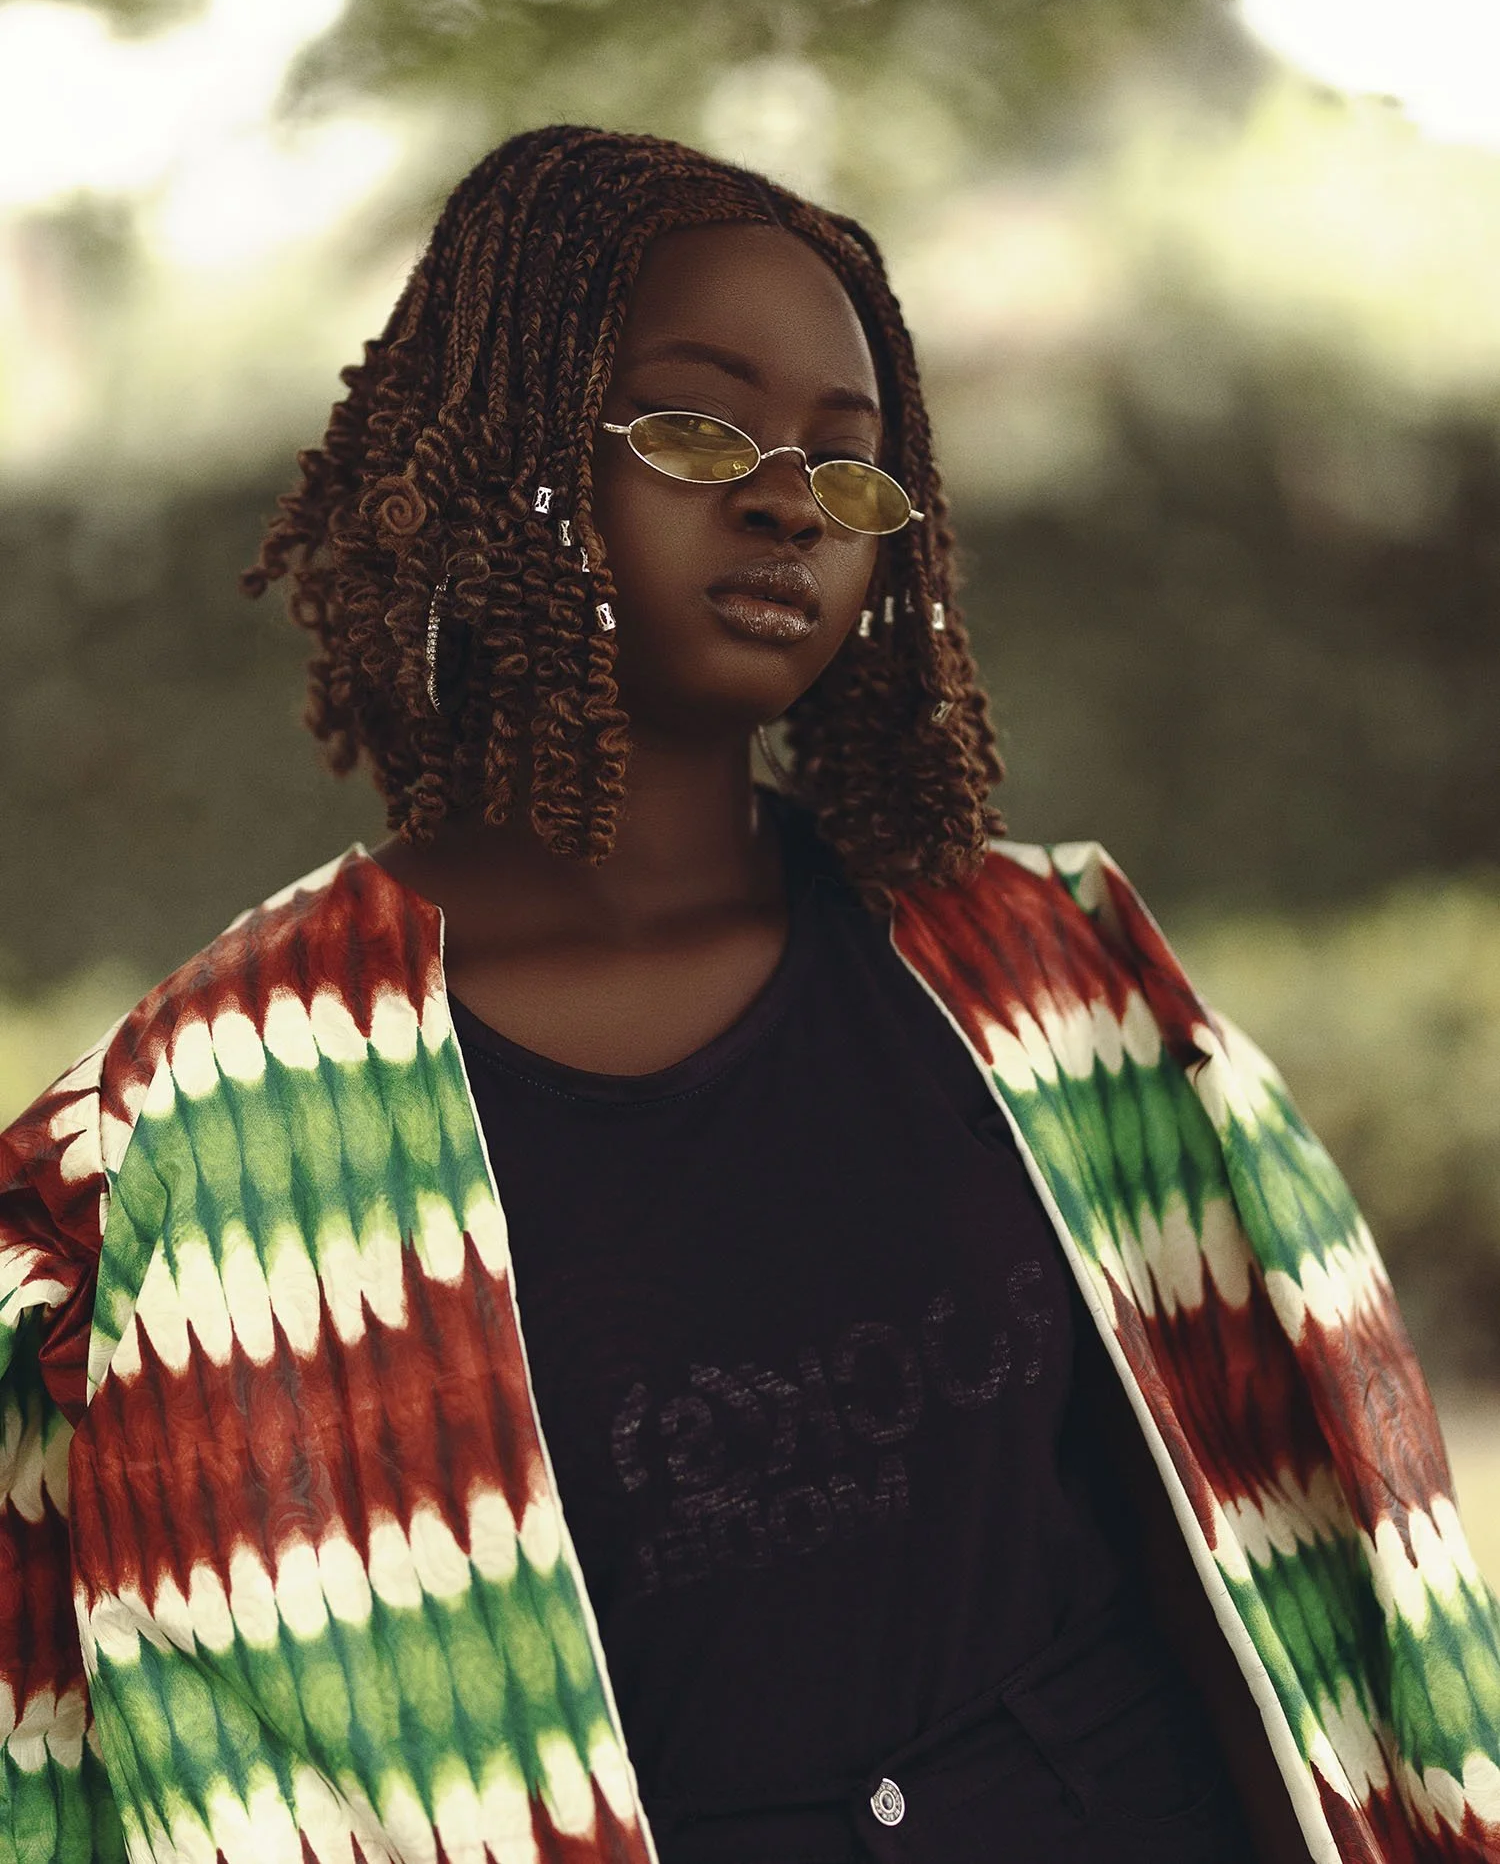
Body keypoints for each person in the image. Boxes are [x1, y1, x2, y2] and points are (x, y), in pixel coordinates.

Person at [1, 126, 1496, 1864]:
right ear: (518, 459)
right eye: (700, 427)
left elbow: (1254, 1567)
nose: (788, 497)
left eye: (850, 469)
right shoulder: (236, 1101)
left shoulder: (1046, 975)